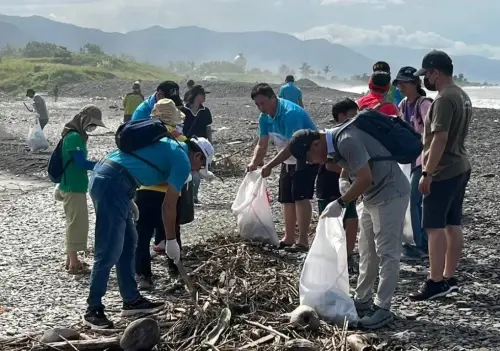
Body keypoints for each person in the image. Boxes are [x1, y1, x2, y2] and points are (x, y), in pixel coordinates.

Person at [84, 124, 214, 329]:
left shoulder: (171, 146)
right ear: (198, 156)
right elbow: (169, 206)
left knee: (129, 243)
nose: (197, 170)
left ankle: (131, 299)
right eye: (200, 165)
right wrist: (171, 240)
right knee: (109, 248)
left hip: (114, 179)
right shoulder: (181, 160)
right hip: (113, 182)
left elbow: (133, 164)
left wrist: (128, 198)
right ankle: (93, 309)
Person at [288, 125, 410, 329]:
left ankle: (383, 308)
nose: (311, 163)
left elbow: (365, 177)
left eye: (309, 158)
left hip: (390, 193)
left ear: (316, 144)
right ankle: (362, 298)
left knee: (387, 252)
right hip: (372, 196)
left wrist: (342, 202)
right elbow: (351, 165)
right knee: (367, 249)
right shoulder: (335, 142)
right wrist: (344, 180)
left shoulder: (345, 140)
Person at [410, 50, 472, 301]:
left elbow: (440, 137)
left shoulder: (444, 99)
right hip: (460, 165)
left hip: (444, 169)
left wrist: (428, 172)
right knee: (452, 223)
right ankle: (449, 276)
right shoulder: (462, 95)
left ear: (436, 72)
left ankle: (435, 281)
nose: (425, 79)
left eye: (426, 74)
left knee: (434, 226)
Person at [248, 83, 317, 252]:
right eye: (257, 104)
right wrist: (254, 162)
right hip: (288, 158)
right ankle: (289, 237)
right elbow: (262, 143)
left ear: (274, 98)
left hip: (307, 155)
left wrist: (270, 165)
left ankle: (302, 240)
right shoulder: (265, 117)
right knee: (286, 197)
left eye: (263, 103)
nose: (260, 107)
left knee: (300, 197)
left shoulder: (290, 113)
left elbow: (292, 147)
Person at [133, 98, 192, 290]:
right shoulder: (180, 141)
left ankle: (143, 275)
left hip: (145, 192)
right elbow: (184, 170)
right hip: (171, 193)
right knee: (172, 233)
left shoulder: (144, 140)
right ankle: (175, 271)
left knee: (142, 235)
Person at [57, 105, 106, 274]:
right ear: (84, 120)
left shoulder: (75, 135)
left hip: (73, 184)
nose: (92, 128)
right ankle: (73, 263)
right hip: (72, 185)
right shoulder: (74, 137)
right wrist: (102, 164)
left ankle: (71, 259)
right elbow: (81, 163)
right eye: (92, 124)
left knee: (74, 221)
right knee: (76, 223)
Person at [393, 66, 433, 259]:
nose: (400, 86)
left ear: (416, 83)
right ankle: (418, 241)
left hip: (422, 160)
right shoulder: (402, 104)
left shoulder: (424, 105)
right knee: (414, 202)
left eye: (404, 83)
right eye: (399, 83)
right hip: (409, 160)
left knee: (414, 201)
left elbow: (432, 134)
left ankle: (420, 245)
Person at [315, 98, 359, 269]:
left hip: (346, 183)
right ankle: (329, 257)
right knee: (329, 222)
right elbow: (329, 164)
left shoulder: (351, 136)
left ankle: (347, 256)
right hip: (328, 184)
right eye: (352, 116)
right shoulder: (329, 137)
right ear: (341, 116)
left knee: (352, 219)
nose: (355, 120)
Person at [182, 85, 214, 203]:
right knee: (187, 169)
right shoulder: (183, 111)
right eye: (203, 94)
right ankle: (186, 194)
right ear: (196, 96)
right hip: (186, 144)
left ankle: (193, 196)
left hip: (200, 146)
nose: (205, 97)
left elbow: (208, 130)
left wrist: (210, 146)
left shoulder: (205, 112)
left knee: (196, 170)